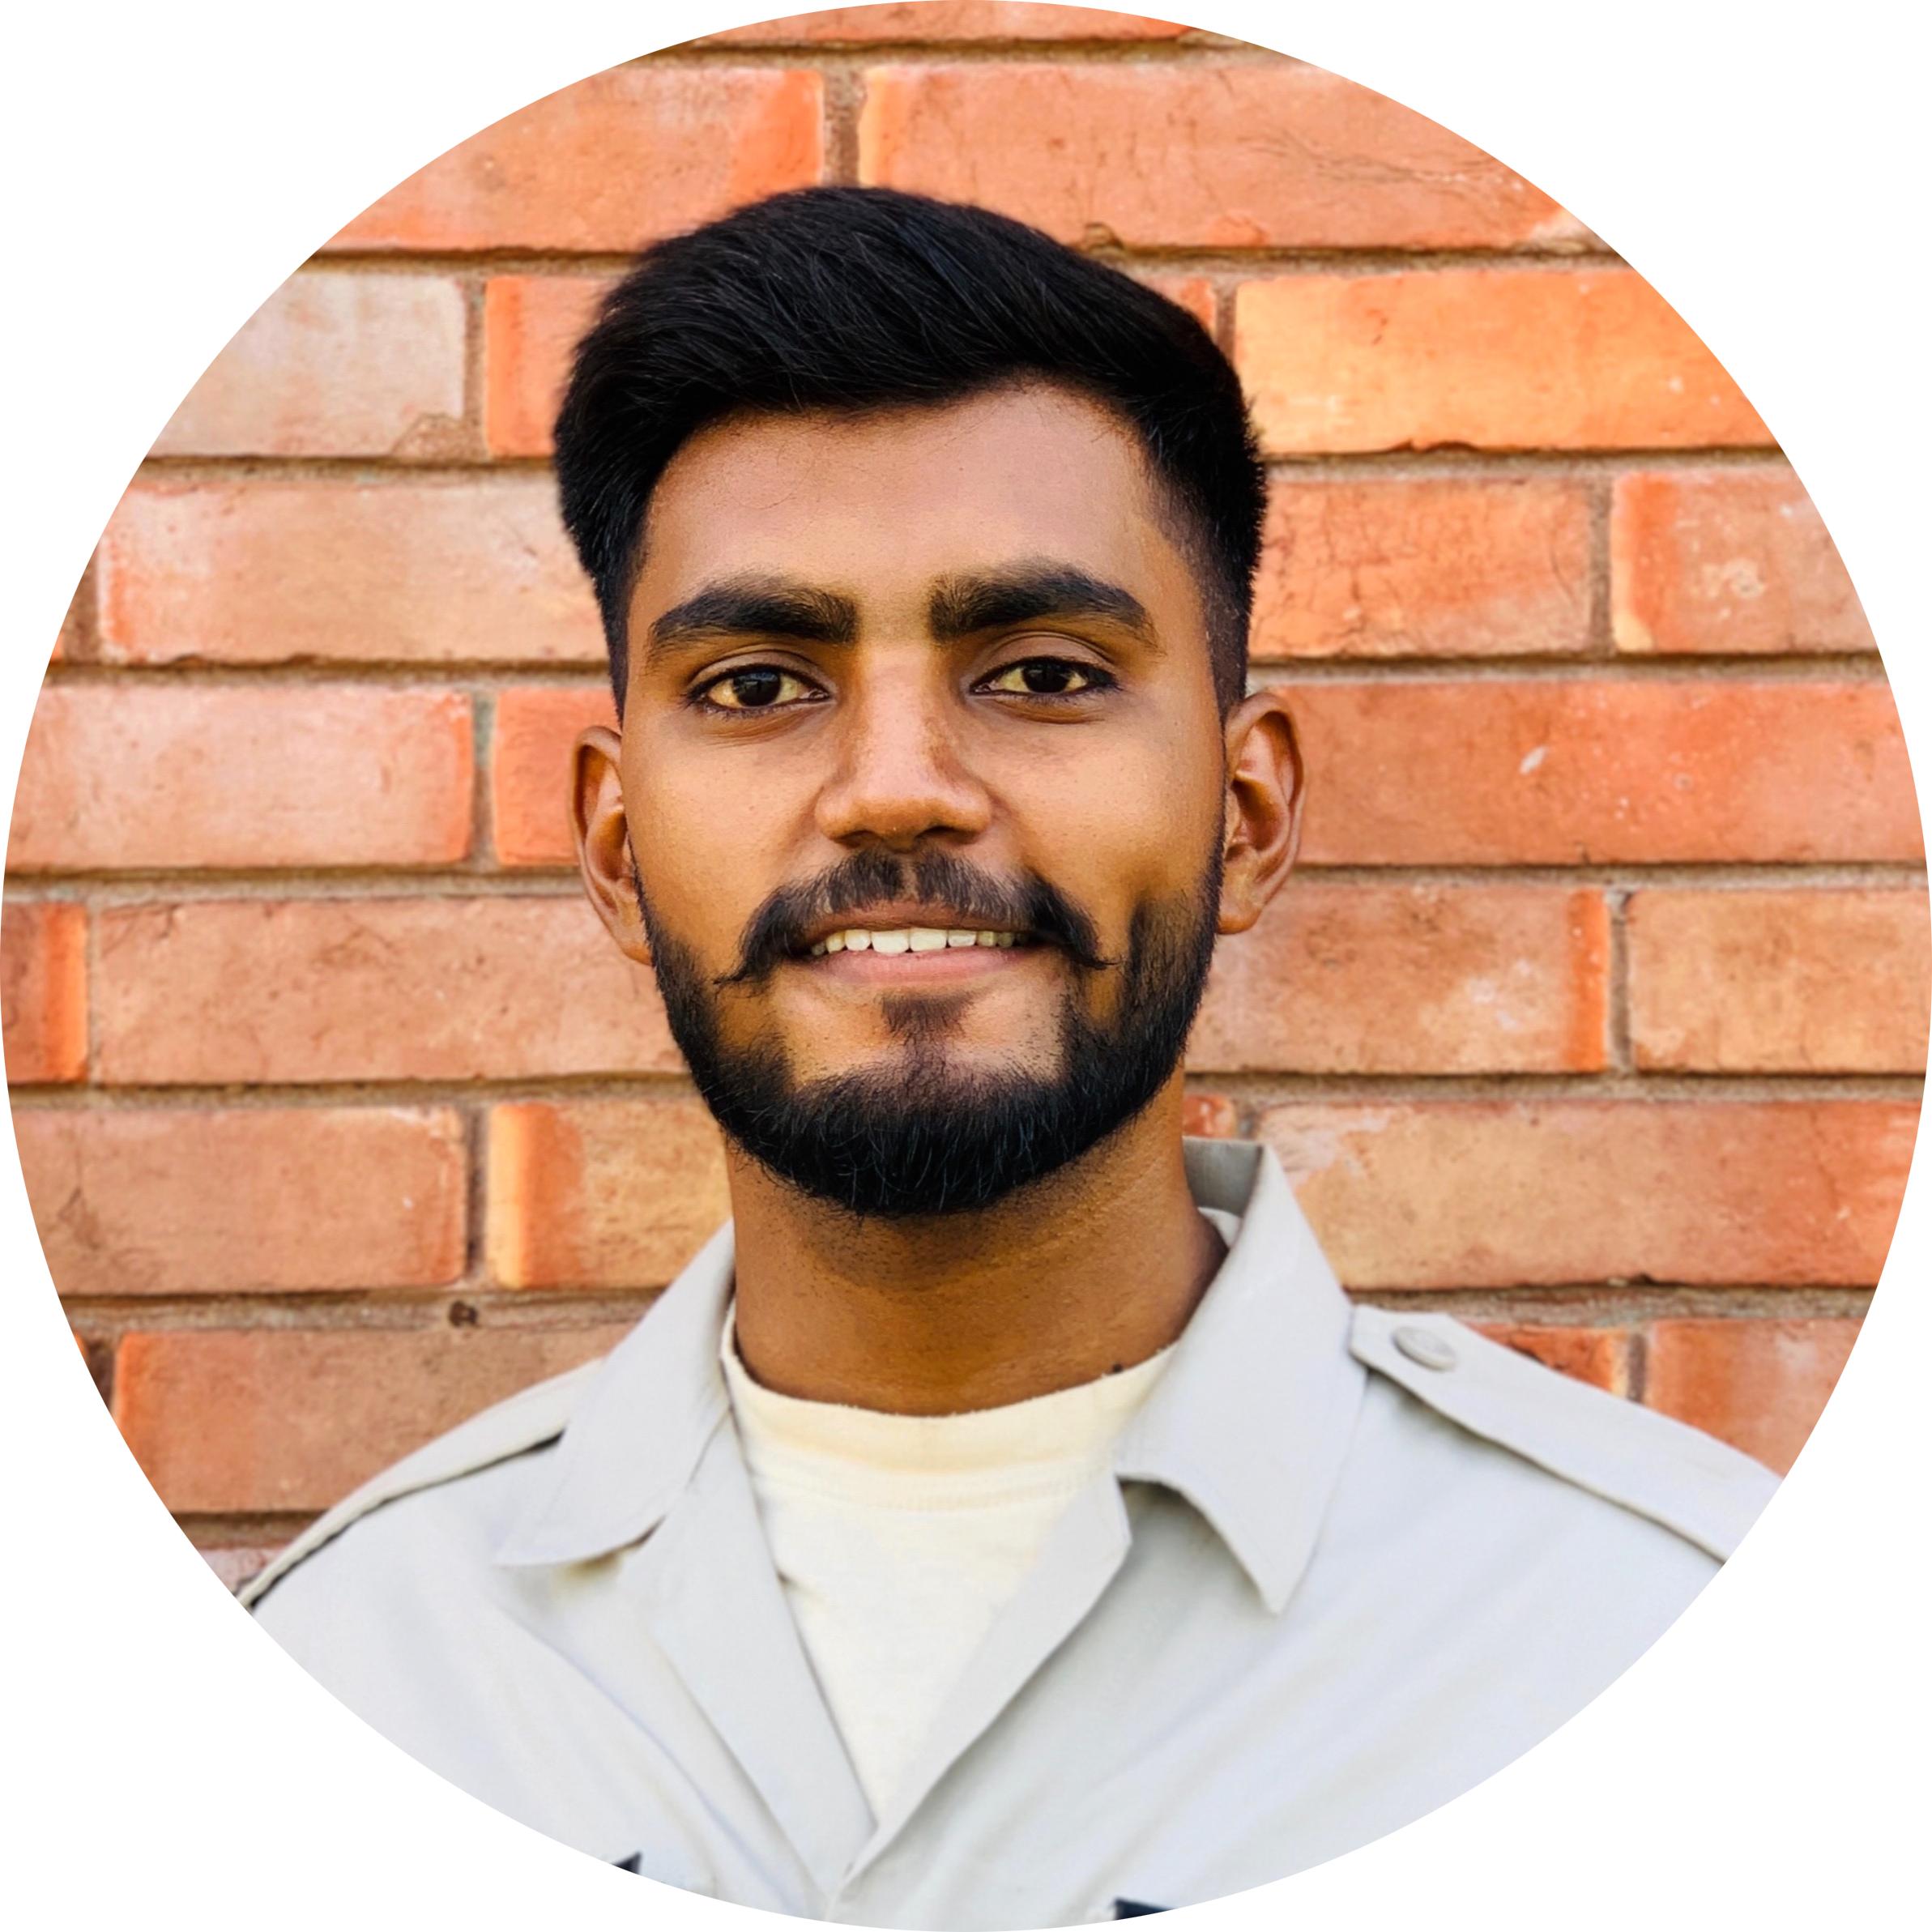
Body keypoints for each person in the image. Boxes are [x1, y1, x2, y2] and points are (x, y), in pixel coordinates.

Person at [243, 186, 1776, 1926]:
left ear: (1247, 812)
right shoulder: (354, 1674)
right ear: (612, 844)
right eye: (756, 685)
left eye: (1041, 674)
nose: (896, 788)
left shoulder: (1660, 1633)